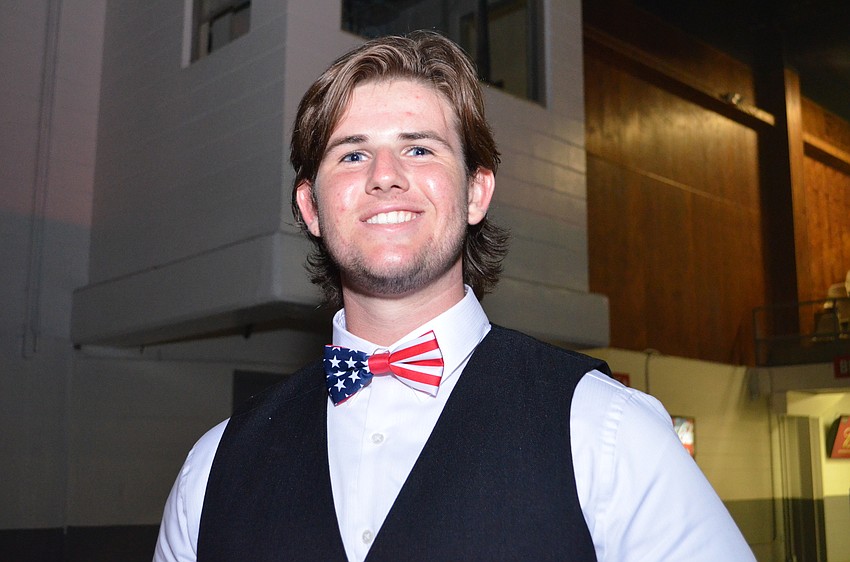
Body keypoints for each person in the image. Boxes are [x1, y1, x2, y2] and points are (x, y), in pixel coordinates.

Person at [154, 31, 755, 561]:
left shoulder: (608, 432)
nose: (384, 175)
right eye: (353, 153)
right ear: (311, 207)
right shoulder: (212, 469)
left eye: (419, 148)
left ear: (475, 192)